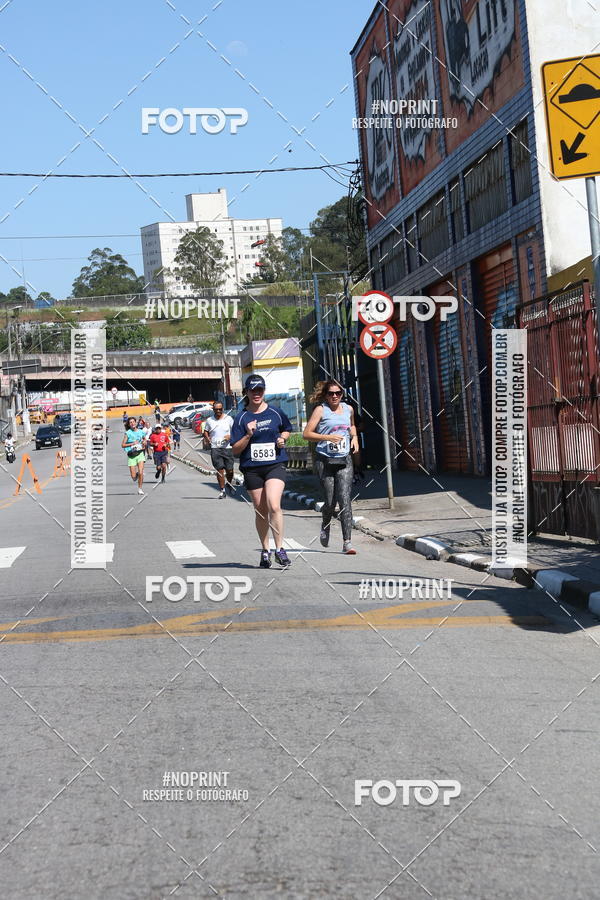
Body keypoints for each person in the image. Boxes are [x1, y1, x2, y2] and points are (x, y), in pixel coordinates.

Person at [231, 374, 293, 568]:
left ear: (264, 391)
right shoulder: (241, 418)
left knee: (274, 505)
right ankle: (265, 551)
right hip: (252, 469)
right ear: (246, 393)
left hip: (275, 464)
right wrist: (248, 435)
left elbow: (287, 429)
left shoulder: (275, 412)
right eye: (252, 390)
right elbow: (235, 449)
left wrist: (283, 438)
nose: (256, 394)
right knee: (261, 510)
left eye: (260, 390)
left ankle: (280, 549)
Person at [303, 380, 359, 555]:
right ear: (325, 395)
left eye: (338, 393)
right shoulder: (320, 410)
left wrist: (355, 437)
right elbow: (307, 434)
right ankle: (325, 525)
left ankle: (347, 542)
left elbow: (352, 425)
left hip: (344, 459)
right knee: (329, 501)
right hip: (325, 460)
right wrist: (327, 438)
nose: (334, 396)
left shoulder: (349, 409)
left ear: (342, 394)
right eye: (331, 393)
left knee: (344, 498)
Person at [203, 401, 235, 499]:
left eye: (220, 409)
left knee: (229, 470)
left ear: (223, 409)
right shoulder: (209, 420)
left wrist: (230, 436)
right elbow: (206, 431)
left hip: (227, 448)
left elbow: (235, 431)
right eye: (216, 409)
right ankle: (222, 490)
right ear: (213, 410)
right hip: (215, 448)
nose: (218, 411)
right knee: (219, 470)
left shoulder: (229, 419)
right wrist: (208, 439)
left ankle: (229, 483)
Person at [121, 416, 147, 494]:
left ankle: (140, 489)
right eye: (130, 422)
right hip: (131, 455)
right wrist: (132, 443)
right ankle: (136, 476)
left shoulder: (141, 431)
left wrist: (144, 442)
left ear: (136, 423)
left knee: (141, 472)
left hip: (140, 454)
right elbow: (123, 445)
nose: (132, 423)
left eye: (133, 422)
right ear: (129, 424)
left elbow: (144, 439)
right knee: (133, 477)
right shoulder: (128, 433)